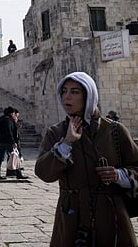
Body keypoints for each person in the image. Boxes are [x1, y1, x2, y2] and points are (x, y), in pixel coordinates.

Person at [35, 72, 138, 246]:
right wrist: (66, 144)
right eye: (64, 91)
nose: (67, 97)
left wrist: (118, 175)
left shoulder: (114, 131)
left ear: (88, 95)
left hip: (111, 217)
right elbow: (43, 172)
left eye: (75, 92)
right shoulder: (57, 132)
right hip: (71, 218)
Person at [0, 106, 27, 180]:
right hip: (7, 142)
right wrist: (13, 141)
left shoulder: (1, 119)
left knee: (0, 157)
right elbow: (9, 131)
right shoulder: (8, 120)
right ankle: (18, 173)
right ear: (12, 113)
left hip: (1, 141)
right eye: (14, 113)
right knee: (16, 156)